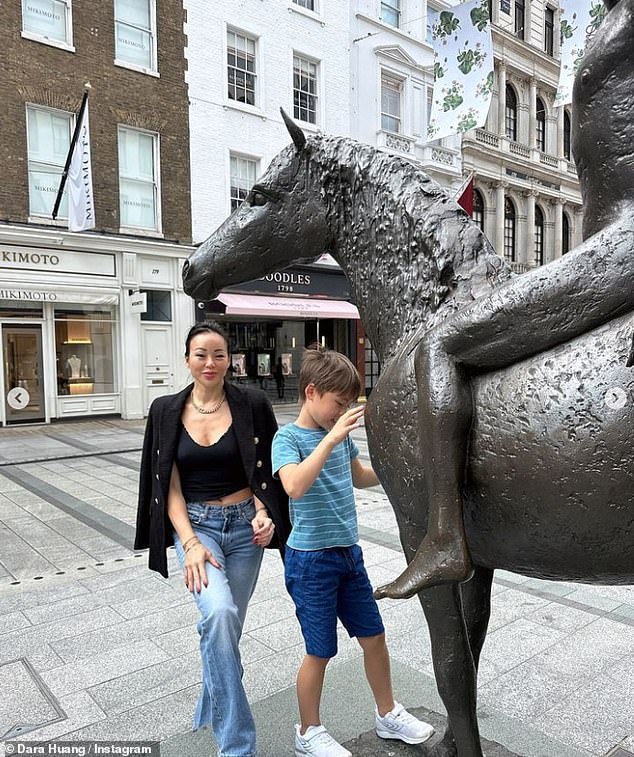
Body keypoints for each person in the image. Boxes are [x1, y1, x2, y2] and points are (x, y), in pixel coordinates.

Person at [135, 321, 290, 757]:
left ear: (229, 361)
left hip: (245, 528)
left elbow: (269, 467)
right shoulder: (164, 410)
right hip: (198, 527)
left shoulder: (253, 403)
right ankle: (236, 746)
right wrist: (188, 543)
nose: (210, 362)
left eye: (219, 354)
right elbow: (166, 485)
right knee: (219, 614)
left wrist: (264, 513)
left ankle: (211, 702)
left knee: (227, 628)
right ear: (187, 359)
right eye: (201, 354)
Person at [272, 347, 434, 757]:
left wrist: (401, 465)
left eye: (347, 404)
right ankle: (308, 731)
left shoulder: (338, 439)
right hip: (310, 561)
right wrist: (330, 438)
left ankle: (387, 713)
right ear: (311, 391)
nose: (342, 411)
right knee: (319, 650)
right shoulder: (287, 438)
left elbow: (359, 476)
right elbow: (294, 486)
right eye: (338, 403)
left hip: (348, 554)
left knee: (374, 637)